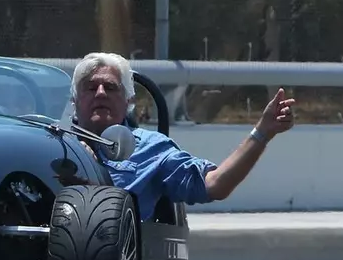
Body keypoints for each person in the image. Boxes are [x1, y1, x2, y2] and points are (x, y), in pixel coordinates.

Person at [71, 52, 296, 221]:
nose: (100, 93)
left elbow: (215, 184)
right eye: (90, 88)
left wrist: (262, 132)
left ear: (129, 101)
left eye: (110, 87)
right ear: (75, 101)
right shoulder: (54, 143)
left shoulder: (151, 148)